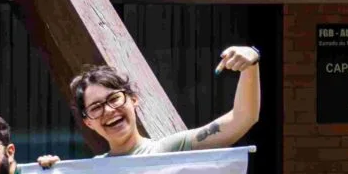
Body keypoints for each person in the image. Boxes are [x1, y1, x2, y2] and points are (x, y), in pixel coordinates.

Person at [72, 47, 261, 158]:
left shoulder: (167, 152)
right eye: (96, 107)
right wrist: (48, 173)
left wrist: (250, 63)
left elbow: (242, 118)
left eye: (114, 98)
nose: (109, 110)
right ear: (88, 121)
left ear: (134, 100)